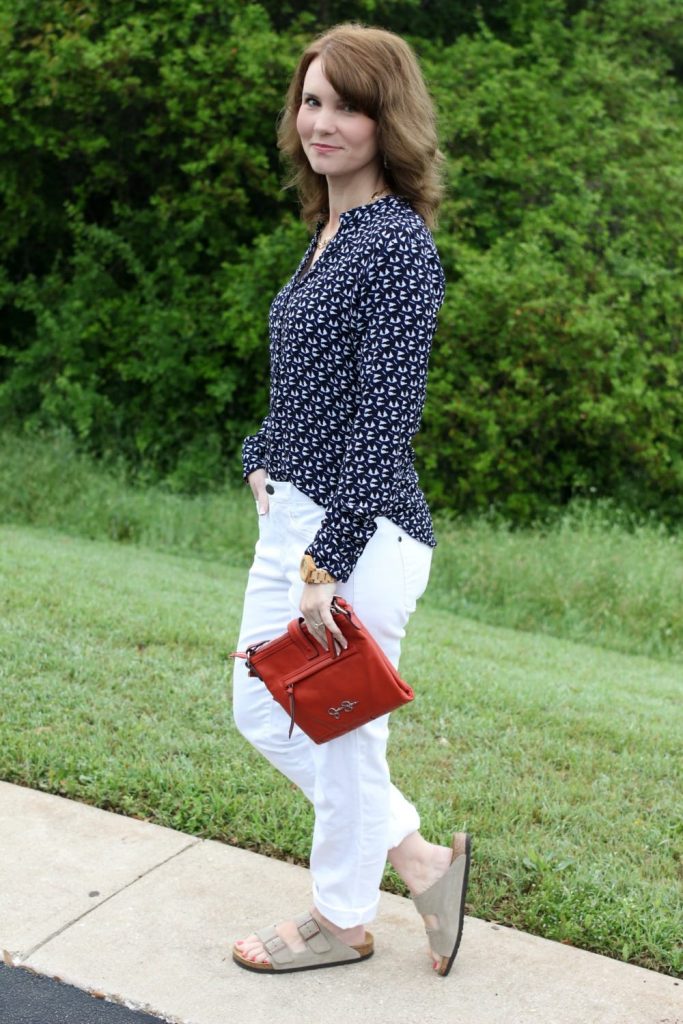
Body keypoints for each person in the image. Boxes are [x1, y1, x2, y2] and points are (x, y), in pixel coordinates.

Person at [231, 22, 471, 977]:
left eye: (349, 104)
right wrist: (257, 456)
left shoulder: (398, 247)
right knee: (266, 711)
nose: (323, 120)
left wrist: (326, 563)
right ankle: (416, 861)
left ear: (388, 120)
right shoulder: (325, 233)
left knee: (339, 736)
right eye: (313, 99)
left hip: (358, 534)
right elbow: (304, 390)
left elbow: (383, 421)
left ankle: (339, 919)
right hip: (294, 514)